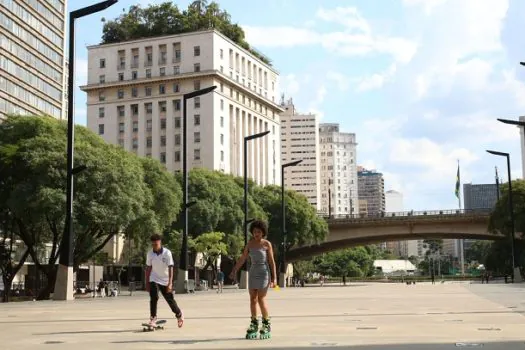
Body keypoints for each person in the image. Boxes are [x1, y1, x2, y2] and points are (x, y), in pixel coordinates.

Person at [230, 220, 276, 339]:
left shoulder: (267, 244)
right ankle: (254, 323)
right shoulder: (250, 244)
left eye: (259, 232)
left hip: (264, 272)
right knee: (252, 299)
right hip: (253, 271)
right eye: (255, 232)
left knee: (261, 298)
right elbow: (243, 258)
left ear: (263, 233)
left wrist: (274, 278)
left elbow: (271, 261)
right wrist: (234, 270)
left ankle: (266, 323)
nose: (256, 234)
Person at [146, 234, 184, 328]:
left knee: (170, 300)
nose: (155, 245)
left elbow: (171, 268)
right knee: (154, 297)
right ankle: (153, 318)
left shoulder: (167, 253)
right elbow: (148, 268)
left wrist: (170, 283)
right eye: (153, 244)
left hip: (165, 279)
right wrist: (147, 282)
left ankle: (179, 315)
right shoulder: (150, 254)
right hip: (154, 278)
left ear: (160, 242)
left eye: (156, 243)